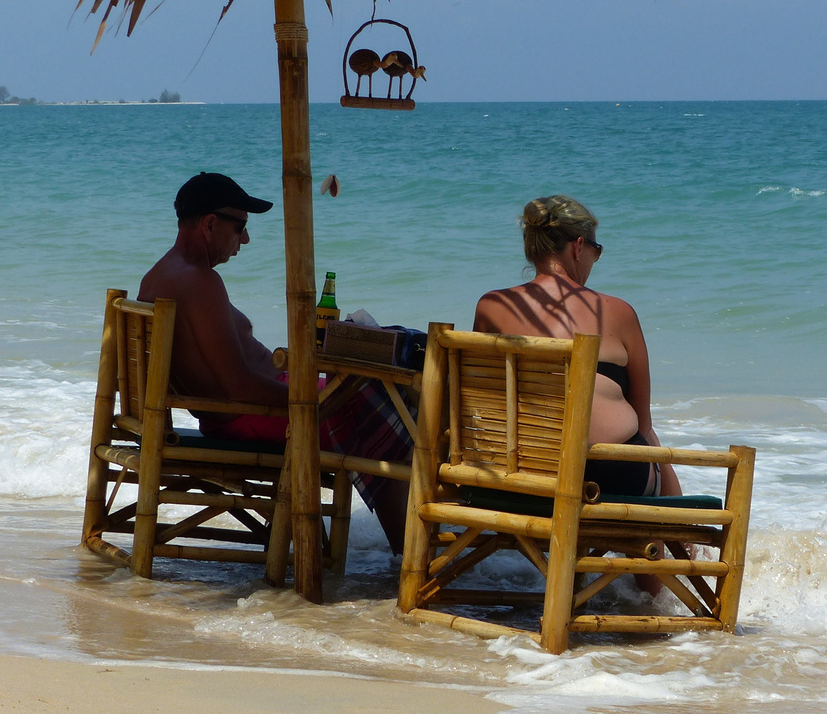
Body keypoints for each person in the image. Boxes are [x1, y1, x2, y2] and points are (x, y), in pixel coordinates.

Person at [138, 172, 412, 551]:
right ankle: (409, 549)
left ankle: (408, 542)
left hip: (244, 413)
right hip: (249, 419)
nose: (245, 240)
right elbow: (238, 386)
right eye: (241, 227)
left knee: (375, 391)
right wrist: (310, 401)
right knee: (381, 395)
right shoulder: (199, 282)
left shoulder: (164, 276)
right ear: (211, 223)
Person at [474, 194, 682, 499]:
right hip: (609, 477)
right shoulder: (618, 312)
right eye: (596, 252)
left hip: (519, 475)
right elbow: (643, 420)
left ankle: (682, 543)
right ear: (579, 246)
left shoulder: (491, 306)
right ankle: (676, 541)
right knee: (648, 440)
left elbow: (483, 395)